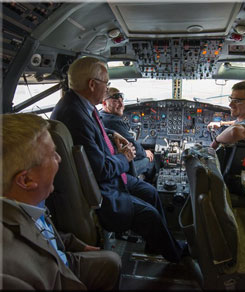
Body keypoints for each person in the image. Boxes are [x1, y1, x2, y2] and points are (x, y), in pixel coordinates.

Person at [50, 56, 186, 263]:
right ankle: (176, 256)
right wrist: (125, 157)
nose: (107, 89)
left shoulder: (76, 105)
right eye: (106, 83)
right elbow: (101, 169)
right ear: (92, 84)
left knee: (150, 192)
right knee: (150, 215)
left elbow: (91, 130)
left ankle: (155, 245)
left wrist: (111, 133)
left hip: (108, 179)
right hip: (104, 190)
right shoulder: (74, 115)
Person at [1, 113, 121, 290]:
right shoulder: (11, 272)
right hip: (55, 277)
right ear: (26, 180)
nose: (60, 158)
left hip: (59, 258)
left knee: (112, 262)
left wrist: (76, 244)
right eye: (52, 155)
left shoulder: (26, 200)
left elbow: (40, 231)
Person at [100, 87, 155, 179]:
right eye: (116, 101)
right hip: (120, 167)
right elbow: (134, 148)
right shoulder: (113, 121)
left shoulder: (101, 115)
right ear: (104, 103)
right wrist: (146, 153)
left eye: (122, 101)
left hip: (113, 160)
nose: (122, 105)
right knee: (151, 158)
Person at [207, 80, 245, 149]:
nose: (230, 105)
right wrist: (222, 123)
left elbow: (235, 132)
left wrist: (216, 141)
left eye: (237, 101)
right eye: (231, 99)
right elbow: (240, 122)